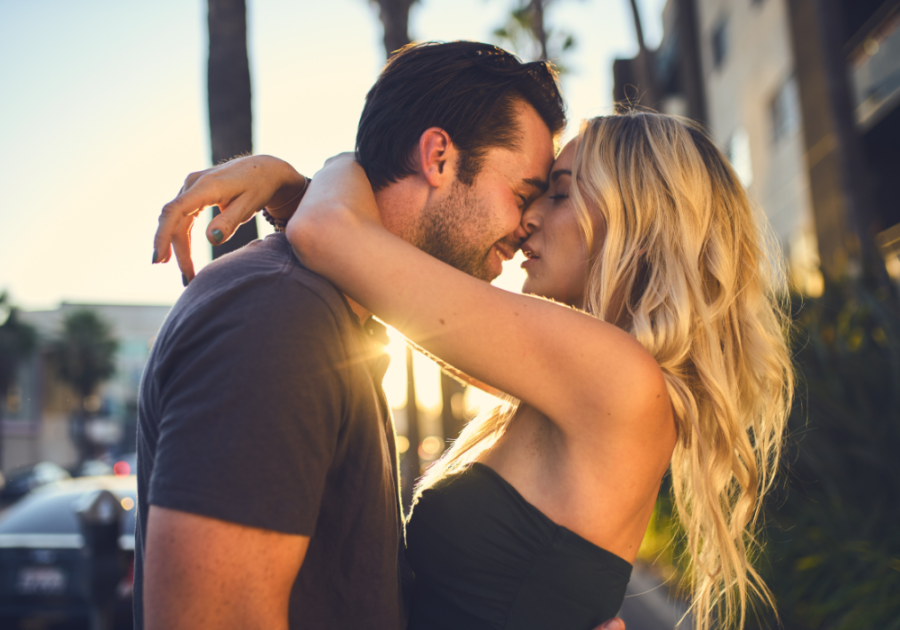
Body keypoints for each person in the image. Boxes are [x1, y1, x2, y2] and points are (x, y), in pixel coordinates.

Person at [158, 111, 793, 630]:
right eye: (535, 194)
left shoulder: (613, 375)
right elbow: (381, 279)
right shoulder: (575, 381)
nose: (530, 219)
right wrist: (298, 194)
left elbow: (331, 232)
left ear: (642, 219)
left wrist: (318, 172)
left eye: (562, 194)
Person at [141, 41, 626, 630]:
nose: (527, 224)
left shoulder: (334, 316)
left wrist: (304, 186)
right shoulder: (279, 318)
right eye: (524, 194)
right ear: (439, 157)